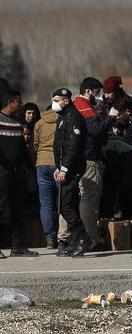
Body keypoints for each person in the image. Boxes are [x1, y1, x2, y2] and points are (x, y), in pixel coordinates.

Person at [69, 77, 117, 249]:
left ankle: (68, 238)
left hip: (75, 159)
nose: (99, 97)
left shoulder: (74, 106)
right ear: (89, 91)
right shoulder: (86, 107)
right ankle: (90, 239)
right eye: (97, 92)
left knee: (73, 199)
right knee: (90, 199)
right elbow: (95, 130)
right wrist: (111, 118)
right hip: (89, 159)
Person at [52, 88, 91, 257]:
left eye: (57, 100)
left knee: (65, 205)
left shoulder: (74, 117)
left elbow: (73, 147)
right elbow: (60, 145)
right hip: (63, 167)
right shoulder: (63, 117)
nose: (54, 103)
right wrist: (58, 167)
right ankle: (75, 240)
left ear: (66, 101)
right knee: (69, 204)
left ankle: (82, 237)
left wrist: (65, 168)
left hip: (72, 168)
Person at [0, 89, 38, 258]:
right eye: (19, 102)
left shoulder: (17, 122)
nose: (21, 106)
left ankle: (18, 246)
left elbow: (21, 148)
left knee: (17, 209)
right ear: (10, 102)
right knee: (2, 209)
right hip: (2, 172)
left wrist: (29, 166)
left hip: (17, 173)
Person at [33, 104, 59, 248]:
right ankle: (63, 235)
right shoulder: (62, 120)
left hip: (41, 163)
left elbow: (35, 144)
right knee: (62, 201)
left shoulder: (39, 123)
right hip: (58, 164)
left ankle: (50, 238)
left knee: (46, 204)